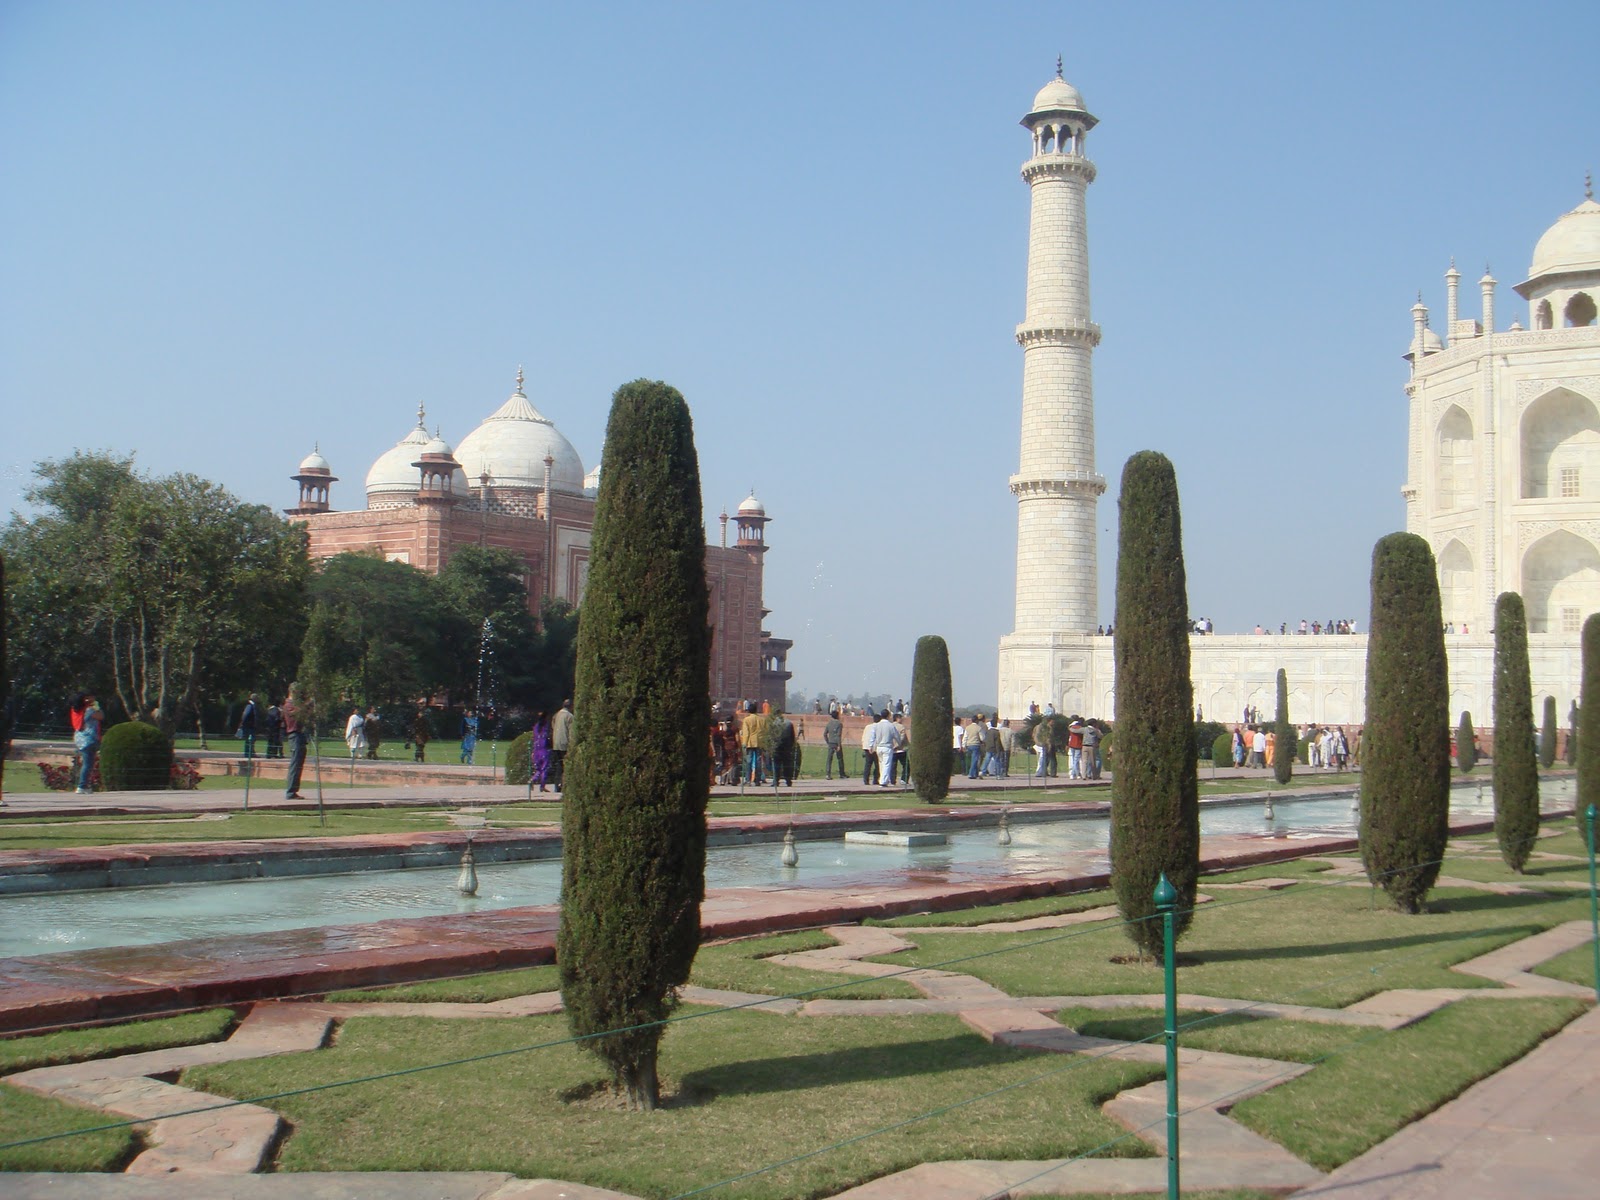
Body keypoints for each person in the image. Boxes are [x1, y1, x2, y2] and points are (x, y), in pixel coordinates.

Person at [72, 692, 104, 794]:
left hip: (80, 738)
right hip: (89, 738)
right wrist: (97, 707)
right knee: (88, 764)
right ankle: (82, 786)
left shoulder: (76, 710)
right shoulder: (90, 710)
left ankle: (84, 785)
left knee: (87, 763)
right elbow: (101, 716)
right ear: (86, 699)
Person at [282, 684, 307, 799]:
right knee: (295, 763)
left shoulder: (295, 704)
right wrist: (308, 703)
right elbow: (297, 713)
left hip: (300, 734)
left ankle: (294, 790)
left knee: (299, 764)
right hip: (294, 735)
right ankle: (290, 791)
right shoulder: (288, 705)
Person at [551, 699, 574, 790]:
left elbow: (553, 726)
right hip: (565, 744)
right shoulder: (569, 716)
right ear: (571, 706)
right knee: (566, 766)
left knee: (559, 765)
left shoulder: (556, 715)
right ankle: (565, 785)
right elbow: (572, 732)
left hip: (556, 743)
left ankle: (557, 786)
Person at [530, 711, 552, 791]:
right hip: (544, 750)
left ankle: (533, 780)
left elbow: (534, 738)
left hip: (536, 750)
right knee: (544, 769)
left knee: (538, 769)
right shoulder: (546, 727)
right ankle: (542, 786)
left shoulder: (536, 727)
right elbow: (548, 737)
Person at [823, 709, 846, 779]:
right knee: (840, 759)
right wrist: (839, 745)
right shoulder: (839, 723)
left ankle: (828, 774)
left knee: (829, 759)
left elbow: (824, 734)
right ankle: (841, 774)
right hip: (836, 743)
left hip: (831, 742)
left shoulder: (829, 723)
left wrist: (828, 742)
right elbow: (839, 735)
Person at [237, 693, 258, 759]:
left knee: (251, 740)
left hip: (250, 726)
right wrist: (242, 723)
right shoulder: (250, 705)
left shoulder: (252, 705)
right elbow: (246, 715)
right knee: (250, 739)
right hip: (249, 726)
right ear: (254, 698)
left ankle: (250, 753)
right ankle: (248, 753)